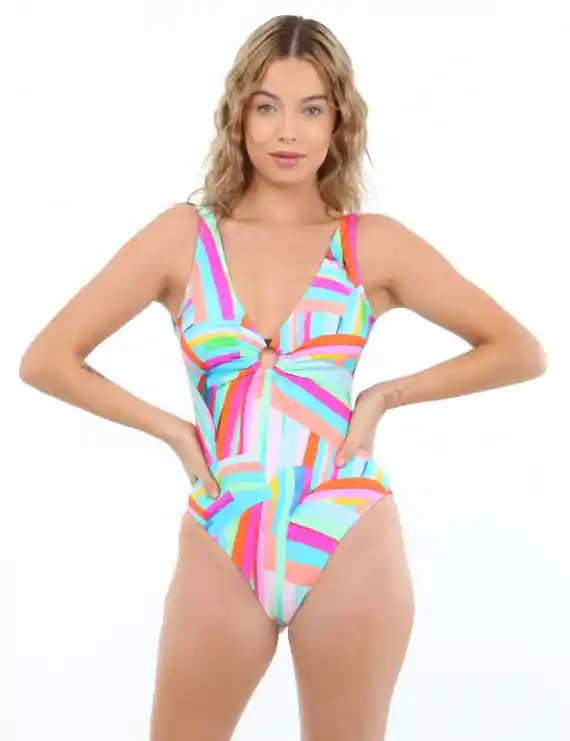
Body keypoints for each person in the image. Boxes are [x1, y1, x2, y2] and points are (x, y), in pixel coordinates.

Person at [19, 14, 546, 741]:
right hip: (226, 522)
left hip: (344, 520)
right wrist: (176, 432)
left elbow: (519, 349)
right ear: (238, 114)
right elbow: (47, 359)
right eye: (267, 106)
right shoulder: (184, 237)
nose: (287, 131)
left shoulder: (368, 245)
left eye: (312, 109)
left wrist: (383, 397)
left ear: (340, 122)